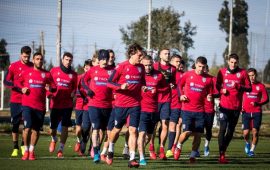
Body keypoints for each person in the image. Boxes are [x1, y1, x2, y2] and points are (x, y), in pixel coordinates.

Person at [106, 43, 145, 168]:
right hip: (121, 105)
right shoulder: (121, 66)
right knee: (117, 129)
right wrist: (120, 86)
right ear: (132, 53)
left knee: (133, 130)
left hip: (136, 104)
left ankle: (132, 158)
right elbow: (109, 83)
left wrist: (144, 88)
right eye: (139, 55)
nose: (141, 57)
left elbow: (142, 82)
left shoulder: (141, 68)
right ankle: (110, 148)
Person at [174, 56, 213, 163]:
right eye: (199, 66)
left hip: (200, 111)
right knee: (187, 132)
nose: (201, 69)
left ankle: (192, 155)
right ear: (196, 64)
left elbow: (210, 92)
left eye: (203, 67)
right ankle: (178, 146)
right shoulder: (187, 74)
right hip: (187, 109)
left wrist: (210, 96)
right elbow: (179, 85)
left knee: (198, 134)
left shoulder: (208, 79)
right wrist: (181, 95)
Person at [18, 52, 56, 160]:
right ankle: (25, 150)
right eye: (37, 59)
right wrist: (22, 88)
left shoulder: (47, 74)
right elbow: (17, 82)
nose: (39, 61)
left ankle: (31, 151)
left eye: (41, 59)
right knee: (27, 128)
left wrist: (50, 89)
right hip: (27, 105)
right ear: (33, 60)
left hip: (40, 107)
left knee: (36, 130)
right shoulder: (26, 72)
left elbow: (54, 87)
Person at [216, 53, 251, 163]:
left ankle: (223, 150)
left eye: (235, 62)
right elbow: (217, 86)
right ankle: (221, 154)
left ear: (238, 62)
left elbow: (249, 88)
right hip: (223, 106)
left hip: (236, 107)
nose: (233, 64)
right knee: (222, 128)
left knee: (230, 132)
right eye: (231, 62)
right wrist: (222, 91)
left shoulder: (243, 73)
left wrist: (239, 86)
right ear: (228, 62)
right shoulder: (221, 72)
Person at [82, 49, 114, 163]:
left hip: (108, 106)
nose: (104, 61)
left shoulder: (112, 71)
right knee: (95, 129)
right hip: (94, 104)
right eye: (102, 59)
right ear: (98, 60)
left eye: (106, 59)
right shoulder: (92, 70)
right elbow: (83, 81)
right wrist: (87, 90)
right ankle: (95, 153)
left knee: (105, 131)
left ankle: (100, 149)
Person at [4, 46, 33, 157]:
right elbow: (6, 81)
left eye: (28, 56)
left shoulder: (32, 66)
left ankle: (22, 145)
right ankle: (15, 147)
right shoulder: (13, 66)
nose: (26, 58)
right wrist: (19, 88)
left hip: (28, 101)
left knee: (27, 125)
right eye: (25, 56)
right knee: (15, 124)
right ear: (21, 55)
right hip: (15, 100)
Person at [48, 52, 78, 158]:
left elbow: (76, 87)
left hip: (67, 105)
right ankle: (53, 139)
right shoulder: (53, 71)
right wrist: (49, 94)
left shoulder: (74, 75)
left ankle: (60, 149)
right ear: (62, 59)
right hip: (55, 104)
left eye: (70, 60)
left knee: (65, 127)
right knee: (52, 129)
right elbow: (47, 84)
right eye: (66, 59)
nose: (68, 62)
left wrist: (74, 92)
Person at [138, 55, 166, 166]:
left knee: (149, 136)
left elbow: (166, 88)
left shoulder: (159, 75)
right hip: (141, 109)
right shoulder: (138, 75)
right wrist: (140, 88)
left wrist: (157, 89)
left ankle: (140, 149)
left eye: (150, 65)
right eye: (145, 65)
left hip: (154, 110)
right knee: (142, 133)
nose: (148, 67)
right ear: (142, 64)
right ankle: (141, 157)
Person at [151, 48, 176, 160]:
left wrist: (172, 85)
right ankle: (151, 147)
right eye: (165, 53)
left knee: (165, 123)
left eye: (168, 53)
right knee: (154, 125)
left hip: (166, 99)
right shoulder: (154, 66)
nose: (167, 55)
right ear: (160, 55)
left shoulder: (173, 68)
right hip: (155, 99)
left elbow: (174, 82)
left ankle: (161, 148)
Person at [242, 68, 269, 157]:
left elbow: (266, 99)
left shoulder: (260, 86)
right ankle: (247, 142)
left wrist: (258, 103)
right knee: (245, 133)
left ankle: (252, 150)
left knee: (255, 132)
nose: (251, 77)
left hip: (257, 112)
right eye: (249, 76)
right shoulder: (244, 86)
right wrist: (240, 107)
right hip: (245, 112)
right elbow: (238, 97)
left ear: (256, 75)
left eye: (253, 75)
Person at [166, 54, 184, 158]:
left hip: (178, 105)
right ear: (172, 62)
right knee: (163, 126)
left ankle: (171, 148)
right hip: (166, 103)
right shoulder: (167, 74)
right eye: (177, 61)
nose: (179, 64)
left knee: (176, 125)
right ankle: (158, 148)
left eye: (179, 62)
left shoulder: (183, 74)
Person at [73, 59, 92, 155]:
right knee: (79, 128)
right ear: (84, 68)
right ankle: (78, 140)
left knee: (86, 128)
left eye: (90, 67)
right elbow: (74, 89)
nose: (88, 68)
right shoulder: (79, 78)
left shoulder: (92, 80)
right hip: (79, 106)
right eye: (86, 67)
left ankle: (84, 147)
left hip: (88, 107)